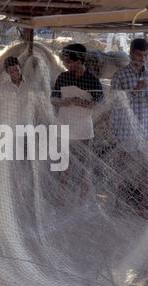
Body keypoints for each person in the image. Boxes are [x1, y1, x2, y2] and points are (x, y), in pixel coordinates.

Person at [110, 38, 148, 217]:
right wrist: (134, 91)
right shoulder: (120, 76)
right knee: (121, 169)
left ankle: (142, 206)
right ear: (132, 53)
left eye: (146, 55)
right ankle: (115, 205)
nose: (143, 59)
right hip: (126, 130)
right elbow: (114, 104)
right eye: (140, 55)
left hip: (146, 128)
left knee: (145, 170)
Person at [51, 43, 103, 200]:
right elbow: (53, 99)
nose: (68, 65)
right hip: (65, 125)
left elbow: (99, 102)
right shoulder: (63, 77)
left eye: (71, 62)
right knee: (63, 163)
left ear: (81, 60)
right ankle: (60, 196)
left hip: (83, 128)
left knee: (84, 164)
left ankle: (82, 199)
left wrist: (85, 103)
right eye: (66, 62)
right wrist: (63, 102)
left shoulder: (92, 80)